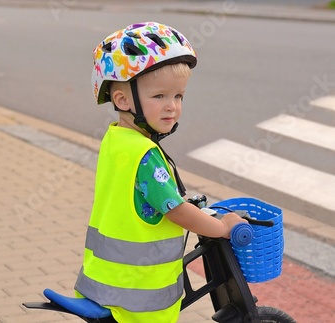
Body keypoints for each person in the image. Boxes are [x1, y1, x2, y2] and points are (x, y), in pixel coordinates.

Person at [74, 22, 247, 323]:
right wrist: (222, 228)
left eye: (178, 96)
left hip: (106, 281)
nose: (172, 107)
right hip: (137, 295)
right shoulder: (145, 155)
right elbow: (175, 211)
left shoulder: (117, 139)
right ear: (123, 100)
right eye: (159, 97)